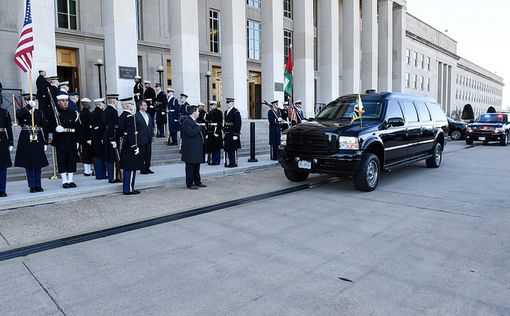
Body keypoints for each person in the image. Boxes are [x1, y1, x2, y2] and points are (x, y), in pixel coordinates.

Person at [15, 94, 49, 193]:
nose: (30, 101)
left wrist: (46, 141)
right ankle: (32, 185)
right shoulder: (22, 112)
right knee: (28, 163)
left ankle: (38, 184)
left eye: (32, 100)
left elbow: (45, 128)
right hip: (26, 138)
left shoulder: (40, 113)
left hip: (37, 137)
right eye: (28, 100)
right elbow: (19, 116)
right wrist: (28, 107)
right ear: (25, 101)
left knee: (38, 163)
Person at [49, 92, 79, 189]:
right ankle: (64, 180)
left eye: (66, 101)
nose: (65, 103)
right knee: (62, 160)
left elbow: (78, 127)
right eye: (63, 101)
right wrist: (55, 129)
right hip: (60, 139)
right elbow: (49, 126)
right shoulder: (54, 113)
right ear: (58, 102)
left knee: (71, 159)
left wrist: (78, 140)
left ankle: (70, 180)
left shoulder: (73, 113)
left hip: (71, 138)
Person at [118, 97, 143, 195]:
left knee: (127, 168)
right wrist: (134, 147)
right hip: (130, 145)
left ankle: (127, 188)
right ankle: (129, 189)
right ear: (127, 105)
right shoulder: (130, 117)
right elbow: (131, 134)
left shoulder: (121, 116)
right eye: (131, 104)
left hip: (125, 143)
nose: (132, 106)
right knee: (131, 168)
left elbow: (121, 132)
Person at [181, 105, 206, 190]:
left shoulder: (195, 121)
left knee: (196, 166)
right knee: (190, 167)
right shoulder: (187, 121)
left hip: (196, 148)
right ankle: (189, 183)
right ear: (193, 112)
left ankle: (197, 181)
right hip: (190, 149)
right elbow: (190, 133)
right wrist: (199, 127)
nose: (199, 113)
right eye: (198, 111)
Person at [101, 93, 121, 183]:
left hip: (106, 136)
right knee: (113, 158)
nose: (117, 102)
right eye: (117, 100)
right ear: (113, 100)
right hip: (111, 137)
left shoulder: (105, 110)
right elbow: (112, 126)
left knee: (110, 157)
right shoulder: (113, 111)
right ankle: (112, 177)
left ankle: (111, 176)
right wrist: (113, 139)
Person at [135, 101, 154, 174]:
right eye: (144, 105)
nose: (146, 106)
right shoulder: (136, 116)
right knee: (142, 154)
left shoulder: (148, 114)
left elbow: (150, 126)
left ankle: (147, 167)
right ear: (140, 106)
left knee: (148, 154)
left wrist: (152, 135)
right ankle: (142, 169)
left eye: (146, 105)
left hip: (148, 137)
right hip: (141, 138)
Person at [0, 100, 14, 197]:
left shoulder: (4, 112)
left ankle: (2, 189)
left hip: (2, 138)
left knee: (2, 166)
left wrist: (11, 142)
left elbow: (9, 127)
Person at [77, 98, 94, 176]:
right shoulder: (85, 113)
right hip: (86, 136)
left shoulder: (84, 112)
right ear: (86, 104)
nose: (90, 105)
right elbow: (86, 127)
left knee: (87, 153)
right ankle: (87, 171)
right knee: (86, 154)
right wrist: (88, 138)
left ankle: (88, 170)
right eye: (89, 103)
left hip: (84, 136)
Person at [223, 97, 242, 167]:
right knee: (228, 148)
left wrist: (236, 134)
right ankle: (230, 162)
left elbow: (238, 123)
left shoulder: (235, 111)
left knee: (232, 148)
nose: (227, 104)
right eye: (227, 103)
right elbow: (225, 123)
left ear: (232, 103)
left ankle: (233, 163)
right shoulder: (226, 112)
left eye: (229, 103)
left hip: (233, 133)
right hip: (228, 133)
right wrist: (224, 130)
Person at [91, 98, 107, 179]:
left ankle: (99, 174)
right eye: (103, 103)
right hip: (99, 136)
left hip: (95, 136)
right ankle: (101, 174)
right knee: (100, 156)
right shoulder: (100, 112)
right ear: (100, 104)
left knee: (98, 155)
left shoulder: (94, 112)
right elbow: (102, 126)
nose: (104, 104)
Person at [205, 100, 223, 165]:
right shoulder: (209, 112)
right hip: (210, 132)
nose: (211, 106)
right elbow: (207, 122)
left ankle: (216, 161)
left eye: (212, 105)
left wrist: (217, 132)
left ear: (215, 105)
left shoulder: (219, 112)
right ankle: (212, 161)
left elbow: (219, 123)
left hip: (216, 131)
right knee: (212, 147)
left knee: (217, 147)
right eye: (210, 105)